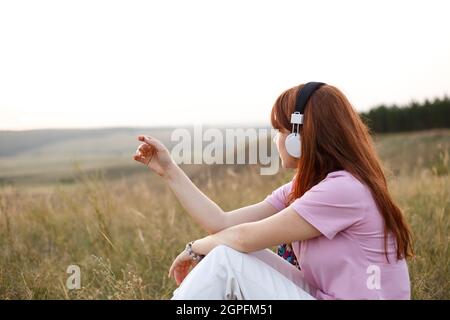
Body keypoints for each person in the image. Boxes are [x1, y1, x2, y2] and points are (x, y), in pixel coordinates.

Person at [133, 82, 413, 300]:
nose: (276, 139)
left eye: (280, 130)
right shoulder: (305, 188)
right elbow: (222, 224)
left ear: (299, 138)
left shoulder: (344, 189)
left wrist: (195, 249)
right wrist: (169, 170)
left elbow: (242, 238)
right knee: (231, 253)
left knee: (227, 258)